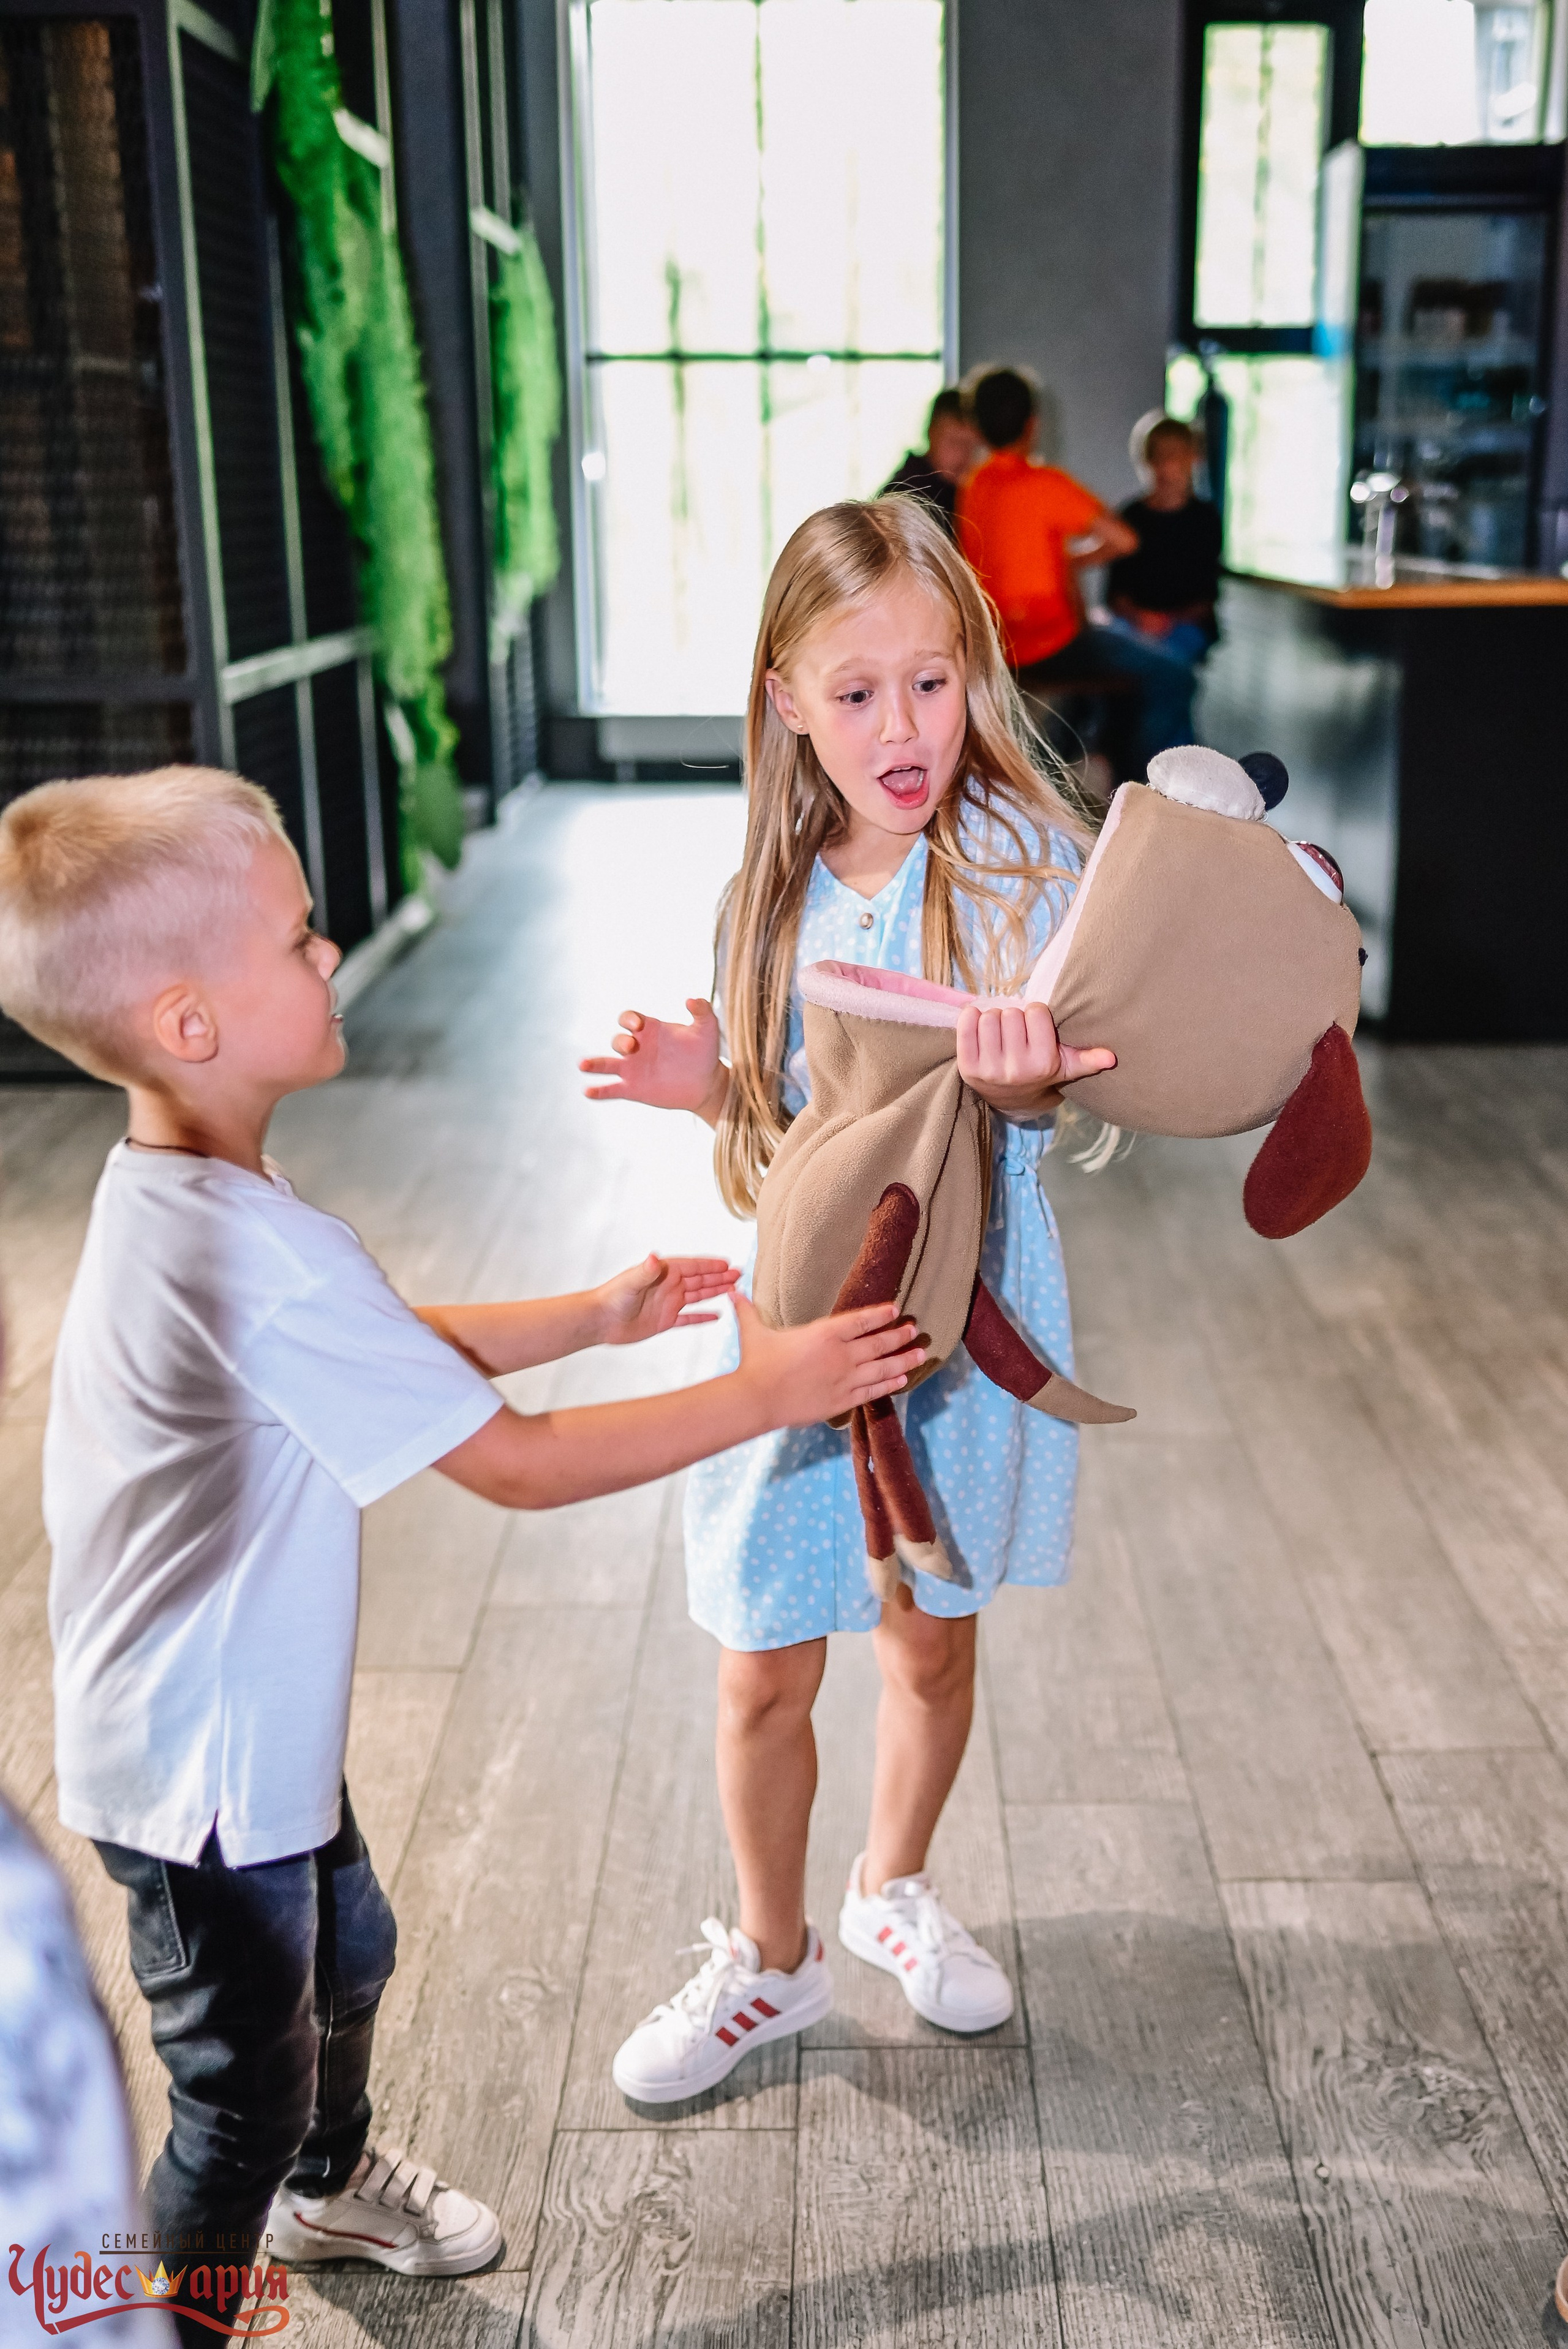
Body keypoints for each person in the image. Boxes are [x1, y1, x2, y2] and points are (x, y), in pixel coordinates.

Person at [0, 767, 922, 2348]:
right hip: (200, 1777)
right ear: (188, 1020)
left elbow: (372, 1338)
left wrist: (591, 1316)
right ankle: (168, 2319)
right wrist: (769, 1387)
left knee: (351, 1946)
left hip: (232, 1729)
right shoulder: (253, 1248)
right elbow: (521, 1467)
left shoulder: (189, 1192)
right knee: (238, 2094)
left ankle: (329, 2183)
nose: (329, 949)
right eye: (297, 935)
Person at [581, 496, 1117, 2102]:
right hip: (803, 1322)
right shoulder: (767, 896)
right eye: (859, 690)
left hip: (962, 1318)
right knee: (762, 1659)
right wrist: (708, 1083)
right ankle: (771, 1954)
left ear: (975, 676)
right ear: (787, 703)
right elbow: (778, 1144)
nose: (903, 727)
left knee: (929, 1641)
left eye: (932, 683)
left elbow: (1066, 1118)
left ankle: (892, 1883)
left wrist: (1024, 1087)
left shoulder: (1028, 868)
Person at [956, 365, 1197, 779]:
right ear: (1033, 425)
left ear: (976, 429)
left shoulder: (973, 487)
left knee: (1115, 671)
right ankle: (1146, 786)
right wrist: (1075, 560)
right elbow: (1125, 540)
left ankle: (1105, 762)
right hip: (1053, 646)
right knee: (1174, 675)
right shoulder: (1046, 484)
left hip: (998, 647)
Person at [1107, 413, 1222, 669]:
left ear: (1192, 458)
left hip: (1185, 626)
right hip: (1133, 625)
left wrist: (1167, 621)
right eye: (1156, 455)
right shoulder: (1130, 516)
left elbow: (1206, 596)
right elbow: (1116, 593)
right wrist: (1141, 618)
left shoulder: (1205, 519)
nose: (1164, 465)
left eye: (1174, 455)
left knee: (1166, 664)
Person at [878, 387, 979, 537]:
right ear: (931, 433)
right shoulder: (907, 495)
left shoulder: (961, 492)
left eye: (972, 445)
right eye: (954, 442)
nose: (964, 453)